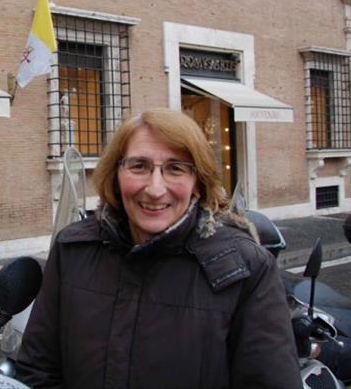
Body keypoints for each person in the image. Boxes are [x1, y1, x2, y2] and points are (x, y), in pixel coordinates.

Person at [16, 109, 301, 388]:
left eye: (176, 168)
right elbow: (38, 371)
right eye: (139, 166)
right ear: (116, 174)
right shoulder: (72, 251)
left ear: (197, 183)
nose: (155, 189)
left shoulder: (247, 270)